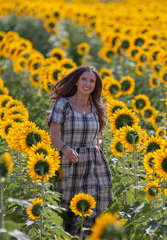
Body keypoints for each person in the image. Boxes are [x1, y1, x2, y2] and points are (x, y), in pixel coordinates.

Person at [47, 66, 113, 238]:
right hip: (69, 164)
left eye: (92, 81)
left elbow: (96, 139)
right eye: (84, 79)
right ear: (76, 81)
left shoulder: (96, 107)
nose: (88, 83)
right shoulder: (63, 105)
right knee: (67, 211)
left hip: (93, 166)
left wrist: (98, 159)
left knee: (93, 211)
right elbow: (53, 136)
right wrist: (65, 148)